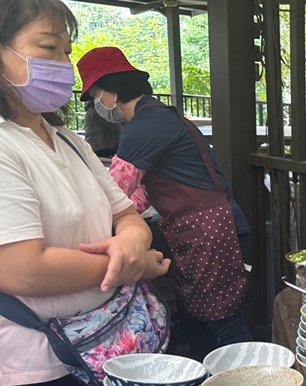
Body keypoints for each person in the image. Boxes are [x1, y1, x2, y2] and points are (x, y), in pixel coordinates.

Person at [0, 0, 169, 386]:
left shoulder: (66, 139)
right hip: (35, 368)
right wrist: (131, 264)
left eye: (65, 51)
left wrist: (131, 242)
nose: (64, 63)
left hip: (104, 345)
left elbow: (127, 215)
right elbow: (21, 269)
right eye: (49, 48)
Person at [76, 46, 252, 360]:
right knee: (200, 322)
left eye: (96, 95)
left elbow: (113, 191)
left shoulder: (143, 127)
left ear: (111, 91)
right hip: (207, 229)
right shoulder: (159, 116)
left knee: (223, 324)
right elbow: (140, 193)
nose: (97, 105)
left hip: (206, 232)